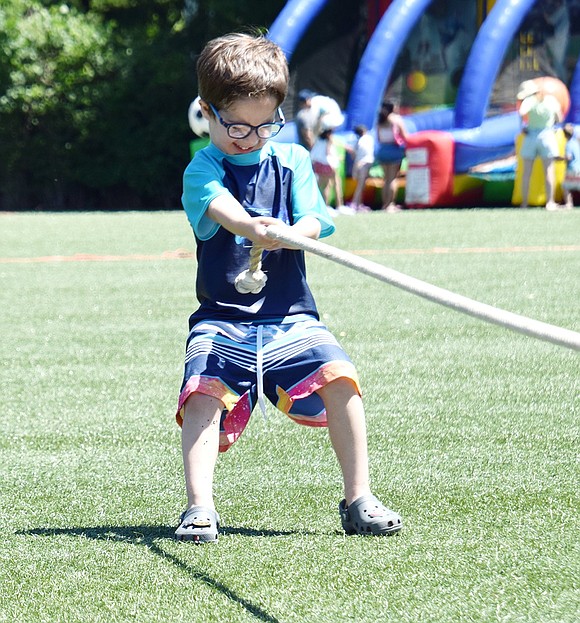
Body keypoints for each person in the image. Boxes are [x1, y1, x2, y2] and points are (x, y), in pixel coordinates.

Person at [176, 33, 402, 543]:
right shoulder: (202, 169)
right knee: (201, 394)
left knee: (341, 376)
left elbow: (316, 220)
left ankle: (359, 497)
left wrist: (293, 233)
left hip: (291, 317)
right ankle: (199, 506)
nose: (252, 137)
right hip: (223, 319)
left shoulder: (294, 159)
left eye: (265, 125)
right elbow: (223, 210)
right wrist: (257, 229)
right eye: (236, 125)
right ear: (206, 111)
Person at [516, 79, 564, 210]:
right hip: (547, 135)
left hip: (531, 136)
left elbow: (520, 113)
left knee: (526, 172)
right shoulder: (551, 100)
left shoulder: (529, 101)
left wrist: (523, 127)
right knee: (549, 171)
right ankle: (550, 202)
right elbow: (560, 118)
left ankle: (524, 203)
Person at [375, 101, 408, 212]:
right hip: (394, 150)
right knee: (393, 178)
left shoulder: (380, 120)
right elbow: (405, 136)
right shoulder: (396, 119)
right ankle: (390, 205)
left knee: (386, 179)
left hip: (383, 150)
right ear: (393, 108)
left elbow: (379, 138)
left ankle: (384, 204)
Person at [310, 124, 346, 212]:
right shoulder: (329, 141)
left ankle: (317, 206)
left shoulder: (318, 140)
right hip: (328, 164)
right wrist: (338, 158)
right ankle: (338, 205)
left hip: (318, 164)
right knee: (333, 184)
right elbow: (328, 152)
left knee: (319, 185)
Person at [346, 124, 375, 212]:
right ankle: (355, 203)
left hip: (360, 163)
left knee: (361, 185)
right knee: (361, 185)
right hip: (365, 163)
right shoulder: (368, 139)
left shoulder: (359, 141)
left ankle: (358, 203)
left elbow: (355, 155)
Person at [561, 123, 580, 209]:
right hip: (578, 168)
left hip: (571, 169)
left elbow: (569, 157)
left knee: (566, 187)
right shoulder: (576, 143)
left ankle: (569, 203)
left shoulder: (568, 144)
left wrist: (560, 158)